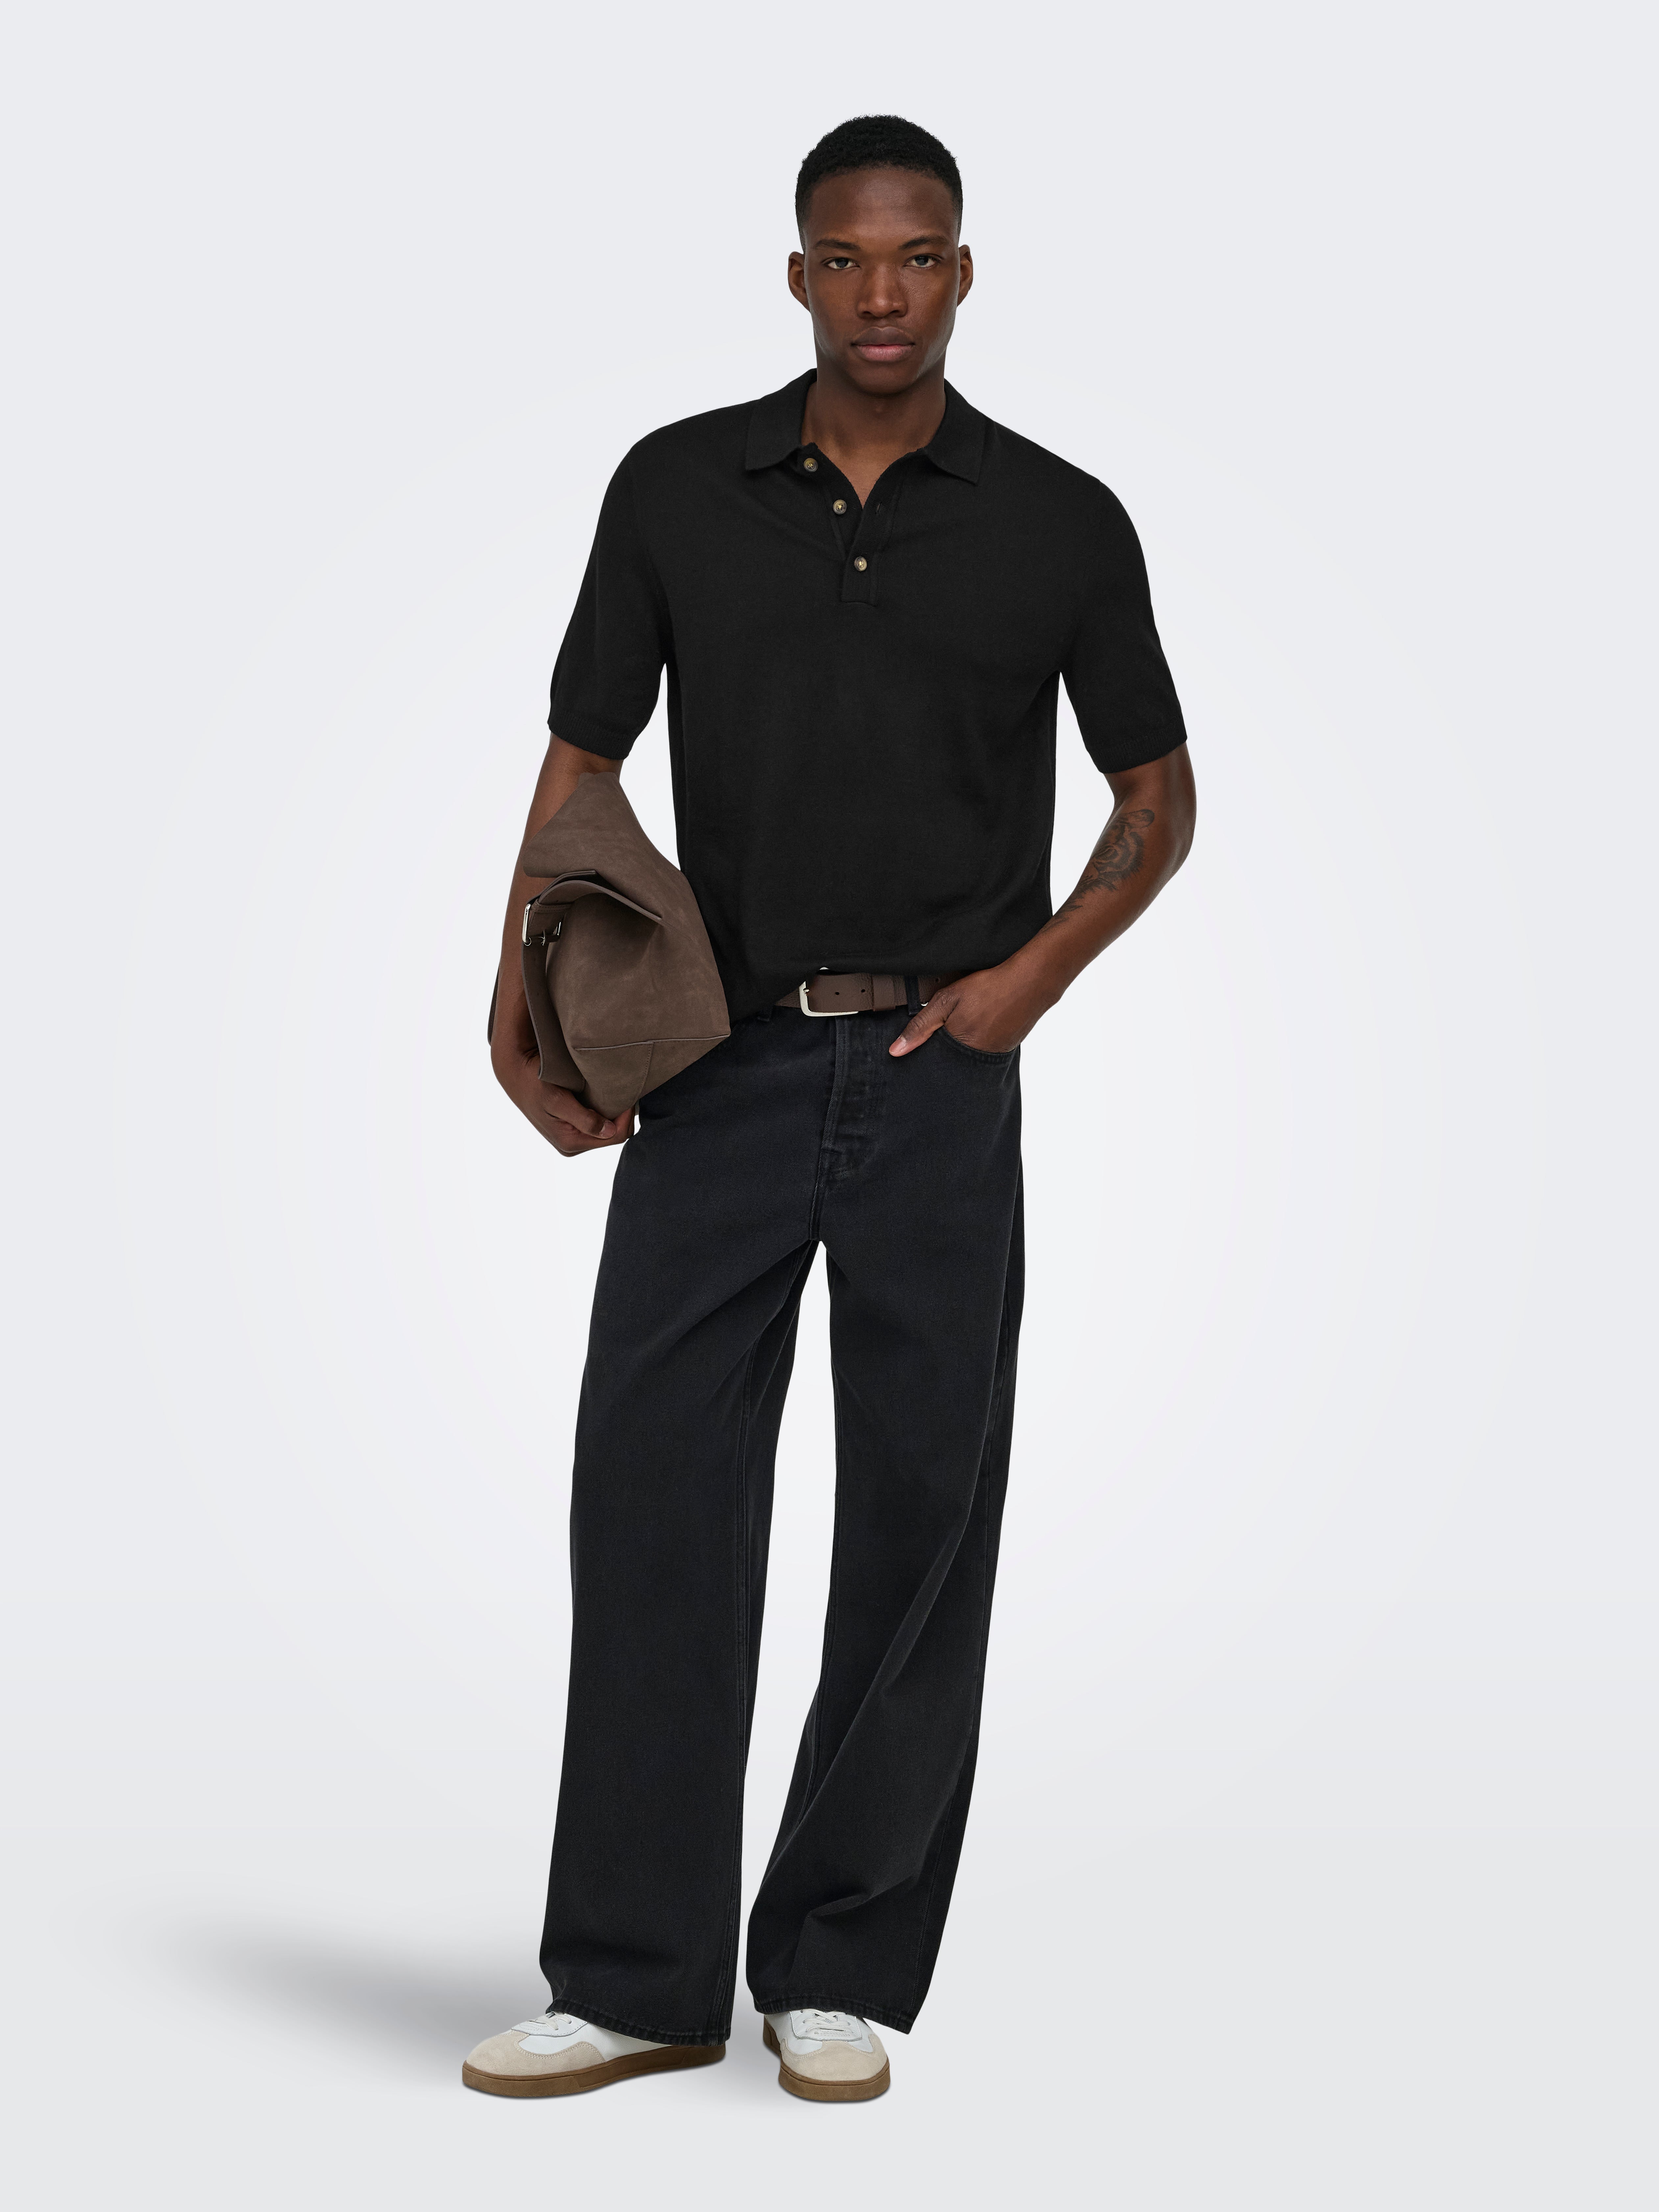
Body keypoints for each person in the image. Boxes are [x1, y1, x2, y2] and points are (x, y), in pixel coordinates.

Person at [463, 113, 1196, 2105]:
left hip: (945, 1075)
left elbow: (1154, 798)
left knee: (920, 1515)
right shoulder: (675, 487)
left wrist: (1034, 978)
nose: (884, 293)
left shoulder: (1063, 522)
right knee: (652, 1501)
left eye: (918, 257)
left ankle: (839, 1965)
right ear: (798, 274)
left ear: (963, 273)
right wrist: (514, 987)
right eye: (847, 259)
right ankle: (637, 1979)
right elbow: (581, 765)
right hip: (711, 1063)